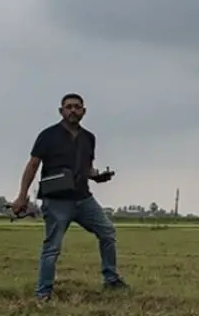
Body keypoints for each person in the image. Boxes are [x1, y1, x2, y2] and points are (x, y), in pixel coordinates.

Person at [11, 93, 128, 302]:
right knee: (52, 247)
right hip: (56, 201)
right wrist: (22, 196)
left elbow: (87, 168)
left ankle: (111, 279)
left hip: (83, 198)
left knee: (108, 232)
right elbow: (33, 165)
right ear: (61, 111)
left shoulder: (89, 138)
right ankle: (43, 293)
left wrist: (98, 176)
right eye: (68, 107)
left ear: (84, 111)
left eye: (77, 107)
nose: (73, 110)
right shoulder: (48, 135)